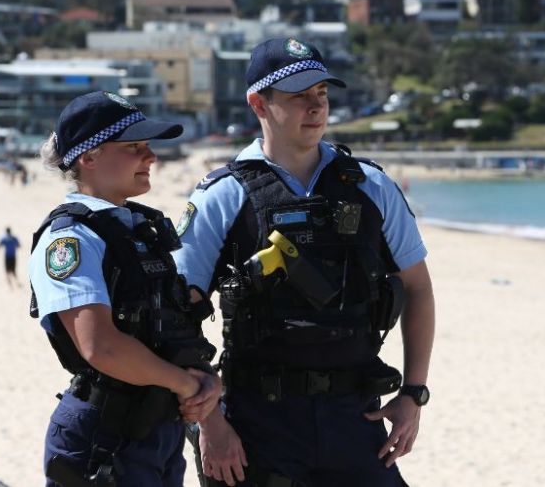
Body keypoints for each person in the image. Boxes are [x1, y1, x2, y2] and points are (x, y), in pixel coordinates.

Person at [174, 38, 435, 487]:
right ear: (259, 103)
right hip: (257, 423)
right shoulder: (223, 195)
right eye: (299, 97)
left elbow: (418, 288)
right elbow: (177, 320)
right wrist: (210, 426)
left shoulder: (370, 186)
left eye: (322, 95)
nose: (315, 108)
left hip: (355, 417)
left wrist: (413, 393)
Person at [28, 91, 222, 486]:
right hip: (106, 434)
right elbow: (102, 347)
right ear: (89, 156)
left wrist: (205, 382)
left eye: (148, 146)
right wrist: (186, 385)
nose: (150, 157)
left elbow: (168, 328)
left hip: (157, 426)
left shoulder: (140, 230)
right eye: (133, 147)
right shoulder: (71, 239)